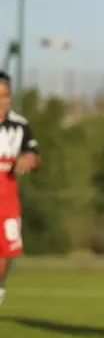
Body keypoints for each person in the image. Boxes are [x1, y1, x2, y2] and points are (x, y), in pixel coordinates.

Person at [0, 72, 41, 307]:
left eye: (6, 96)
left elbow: (36, 157)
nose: (2, 101)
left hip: (6, 198)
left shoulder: (20, 125)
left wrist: (30, 159)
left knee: (5, 254)